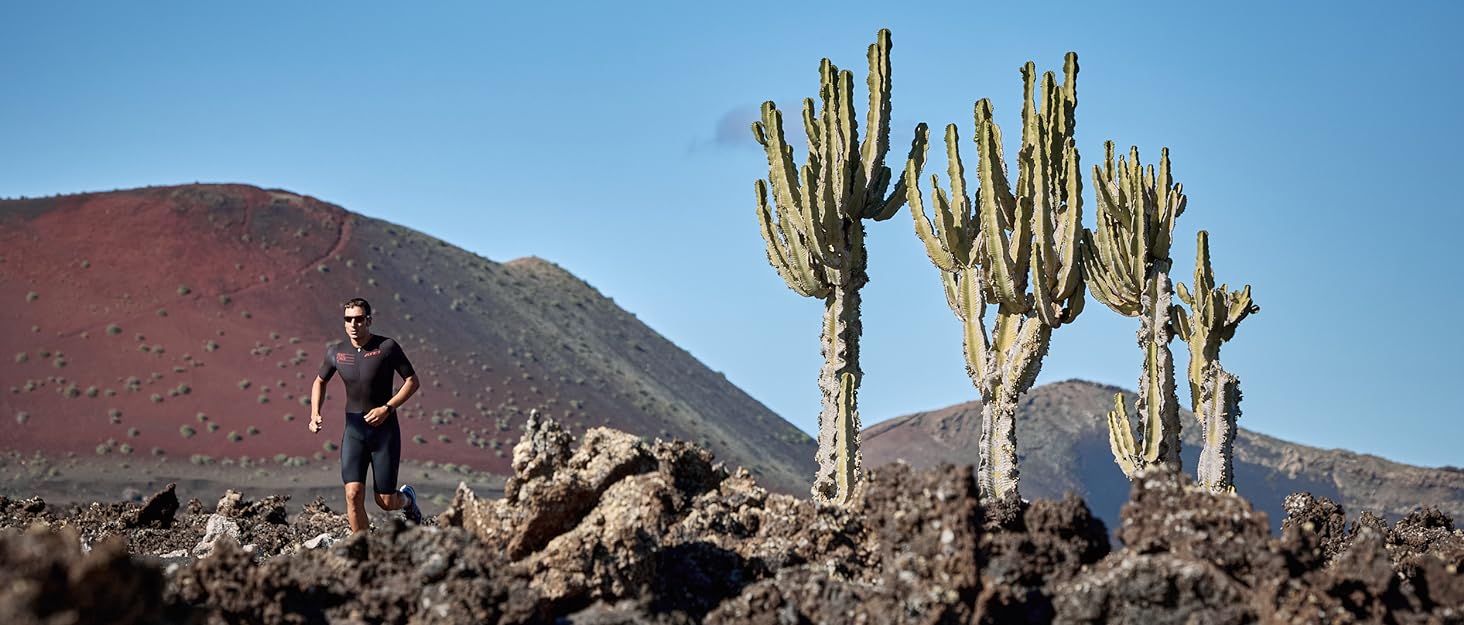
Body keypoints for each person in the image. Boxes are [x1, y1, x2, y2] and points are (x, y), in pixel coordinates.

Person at [309, 297, 424, 532]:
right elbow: (319, 381)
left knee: (386, 501)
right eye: (348, 319)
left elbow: (412, 381)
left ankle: (408, 500)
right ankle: (362, 550)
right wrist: (314, 414)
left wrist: (387, 408)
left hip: (384, 432)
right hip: (354, 431)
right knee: (352, 494)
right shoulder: (337, 352)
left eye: (359, 319)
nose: (353, 324)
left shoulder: (387, 347)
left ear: (369, 320)